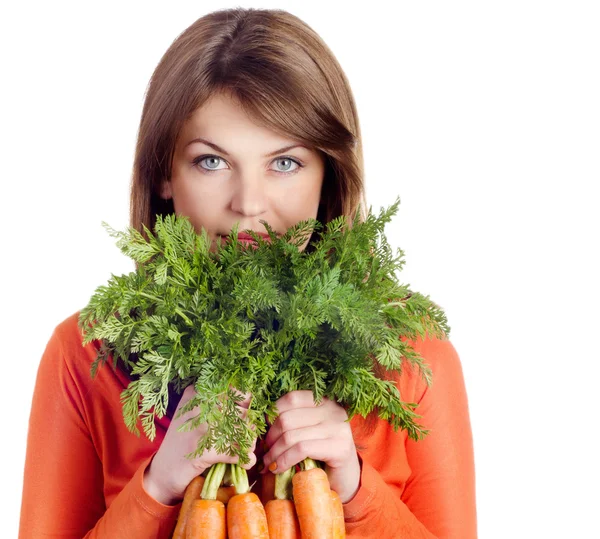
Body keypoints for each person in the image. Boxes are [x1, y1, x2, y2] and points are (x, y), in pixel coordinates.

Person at [19, 7, 476, 538]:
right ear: (164, 174)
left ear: (328, 176)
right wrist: (159, 486)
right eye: (212, 161)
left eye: (284, 162)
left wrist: (353, 489)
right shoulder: (83, 356)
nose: (249, 203)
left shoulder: (415, 358)